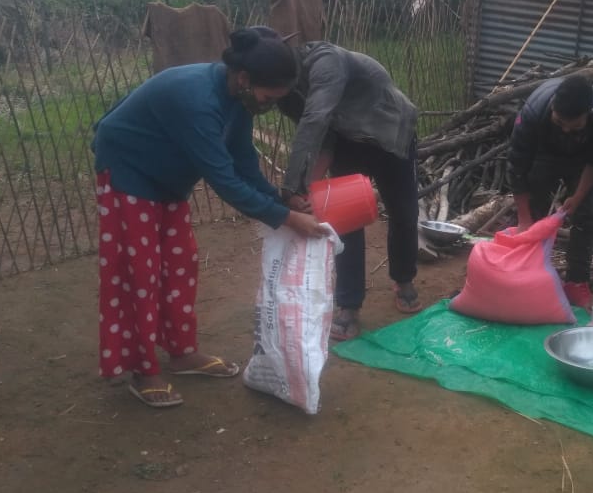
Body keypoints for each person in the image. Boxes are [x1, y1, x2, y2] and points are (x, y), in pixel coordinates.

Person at [92, 26, 329, 409]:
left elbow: (244, 164)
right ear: (244, 79)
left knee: (179, 264)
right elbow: (225, 180)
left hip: (166, 179)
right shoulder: (197, 100)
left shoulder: (238, 100)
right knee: (140, 272)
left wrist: (281, 198)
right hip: (129, 168)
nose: (270, 105)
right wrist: (285, 218)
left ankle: (182, 353)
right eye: (269, 97)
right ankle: (143, 370)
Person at [277, 41, 422, 342]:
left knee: (403, 212)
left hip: (391, 133)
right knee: (345, 218)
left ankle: (403, 278)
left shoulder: (327, 62)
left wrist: (291, 186)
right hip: (347, 142)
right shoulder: (285, 92)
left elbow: (315, 119)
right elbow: (321, 136)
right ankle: (348, 304)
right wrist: (306, 190)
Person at [506, 74, 593, 307]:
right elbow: (517, 168)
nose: (567, 130)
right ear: (553, 108)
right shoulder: (533, 114)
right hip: (544, 154)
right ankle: (528, 272)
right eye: (560, 123)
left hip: (582, 160)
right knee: (533, 208)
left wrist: (577, 198)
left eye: (575, 126)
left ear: (589, 114)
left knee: (586, 217)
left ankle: (577, 281)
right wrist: (524, 218)